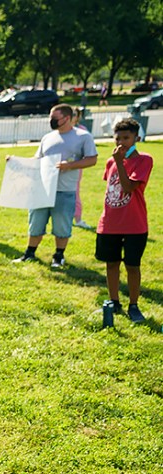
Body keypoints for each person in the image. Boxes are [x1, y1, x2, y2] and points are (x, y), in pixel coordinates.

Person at [13, 104, 98, 266]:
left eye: (54, 118)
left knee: (61, 226)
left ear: (66, 118)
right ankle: (29, 253)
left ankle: (58, 256)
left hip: (64, 190)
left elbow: (92, 159)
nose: (51, 121)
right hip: (42, 189)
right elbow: (37, 159)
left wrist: (70, 165)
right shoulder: (48, 137)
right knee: (35, 223)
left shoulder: (83, 136)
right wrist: (16, 163)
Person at [95, 118, 153, 323]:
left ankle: (134, 305)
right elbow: (112, 188)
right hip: (110, 223)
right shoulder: (110, 161)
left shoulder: (144, 160)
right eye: (117, 138)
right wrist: (116, 161)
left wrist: (120, 162)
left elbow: (128, 188)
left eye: (126, 138)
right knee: (111, 264)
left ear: (137, 138)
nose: (121, 143)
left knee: (132, 265)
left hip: (134, 225)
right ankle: (114, 301)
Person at [72, 108, 92, 229]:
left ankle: (78, 219)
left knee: (74, 192)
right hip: (60, 167)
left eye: (74, 114)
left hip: (76, 166)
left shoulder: (82, 131)